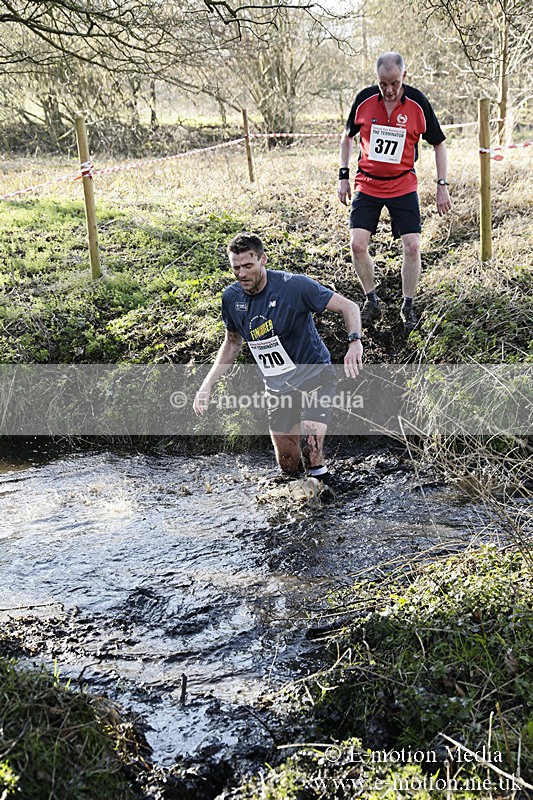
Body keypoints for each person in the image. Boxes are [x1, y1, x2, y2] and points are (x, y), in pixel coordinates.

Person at [193, 232, 363, 484]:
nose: (242, 274)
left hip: (314, 376)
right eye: (236, 268)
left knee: (311, 451)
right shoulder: (231, 298)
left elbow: (349, 306)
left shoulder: (293, 286)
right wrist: (207, 384)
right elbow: (232, 344)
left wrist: (355, 341)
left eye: (248, 266)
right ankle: (295, 507)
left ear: (263, 260)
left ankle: (326, 507)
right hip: (277, 387)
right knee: (287, 463)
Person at [338, 51, 452, 331]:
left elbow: (439, 143)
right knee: (357, 244)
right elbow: (347, 137)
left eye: (394, 83)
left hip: (403, 183)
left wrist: (442, 185)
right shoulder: (364, 100)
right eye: (382, 84)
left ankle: (408, 305)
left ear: (404, 76)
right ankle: (371, 300)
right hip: (368, 182)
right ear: (376, 80)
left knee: (412, 246)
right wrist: (343, 175)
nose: (389, 90)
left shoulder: (418, 103)